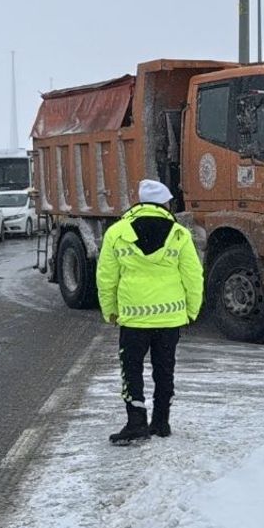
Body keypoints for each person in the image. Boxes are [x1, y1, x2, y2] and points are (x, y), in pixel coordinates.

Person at [96, 179, 204, 444]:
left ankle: (136, 422)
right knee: (164, 370)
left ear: (141, 201)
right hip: (169, 319)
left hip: (133, 318)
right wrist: (192, 310)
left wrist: (109, 309)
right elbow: (193, 275)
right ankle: (161, 422)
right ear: (165, 203)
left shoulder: (117, 232)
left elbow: (106, 277)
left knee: (131, 370)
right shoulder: (179, 234)